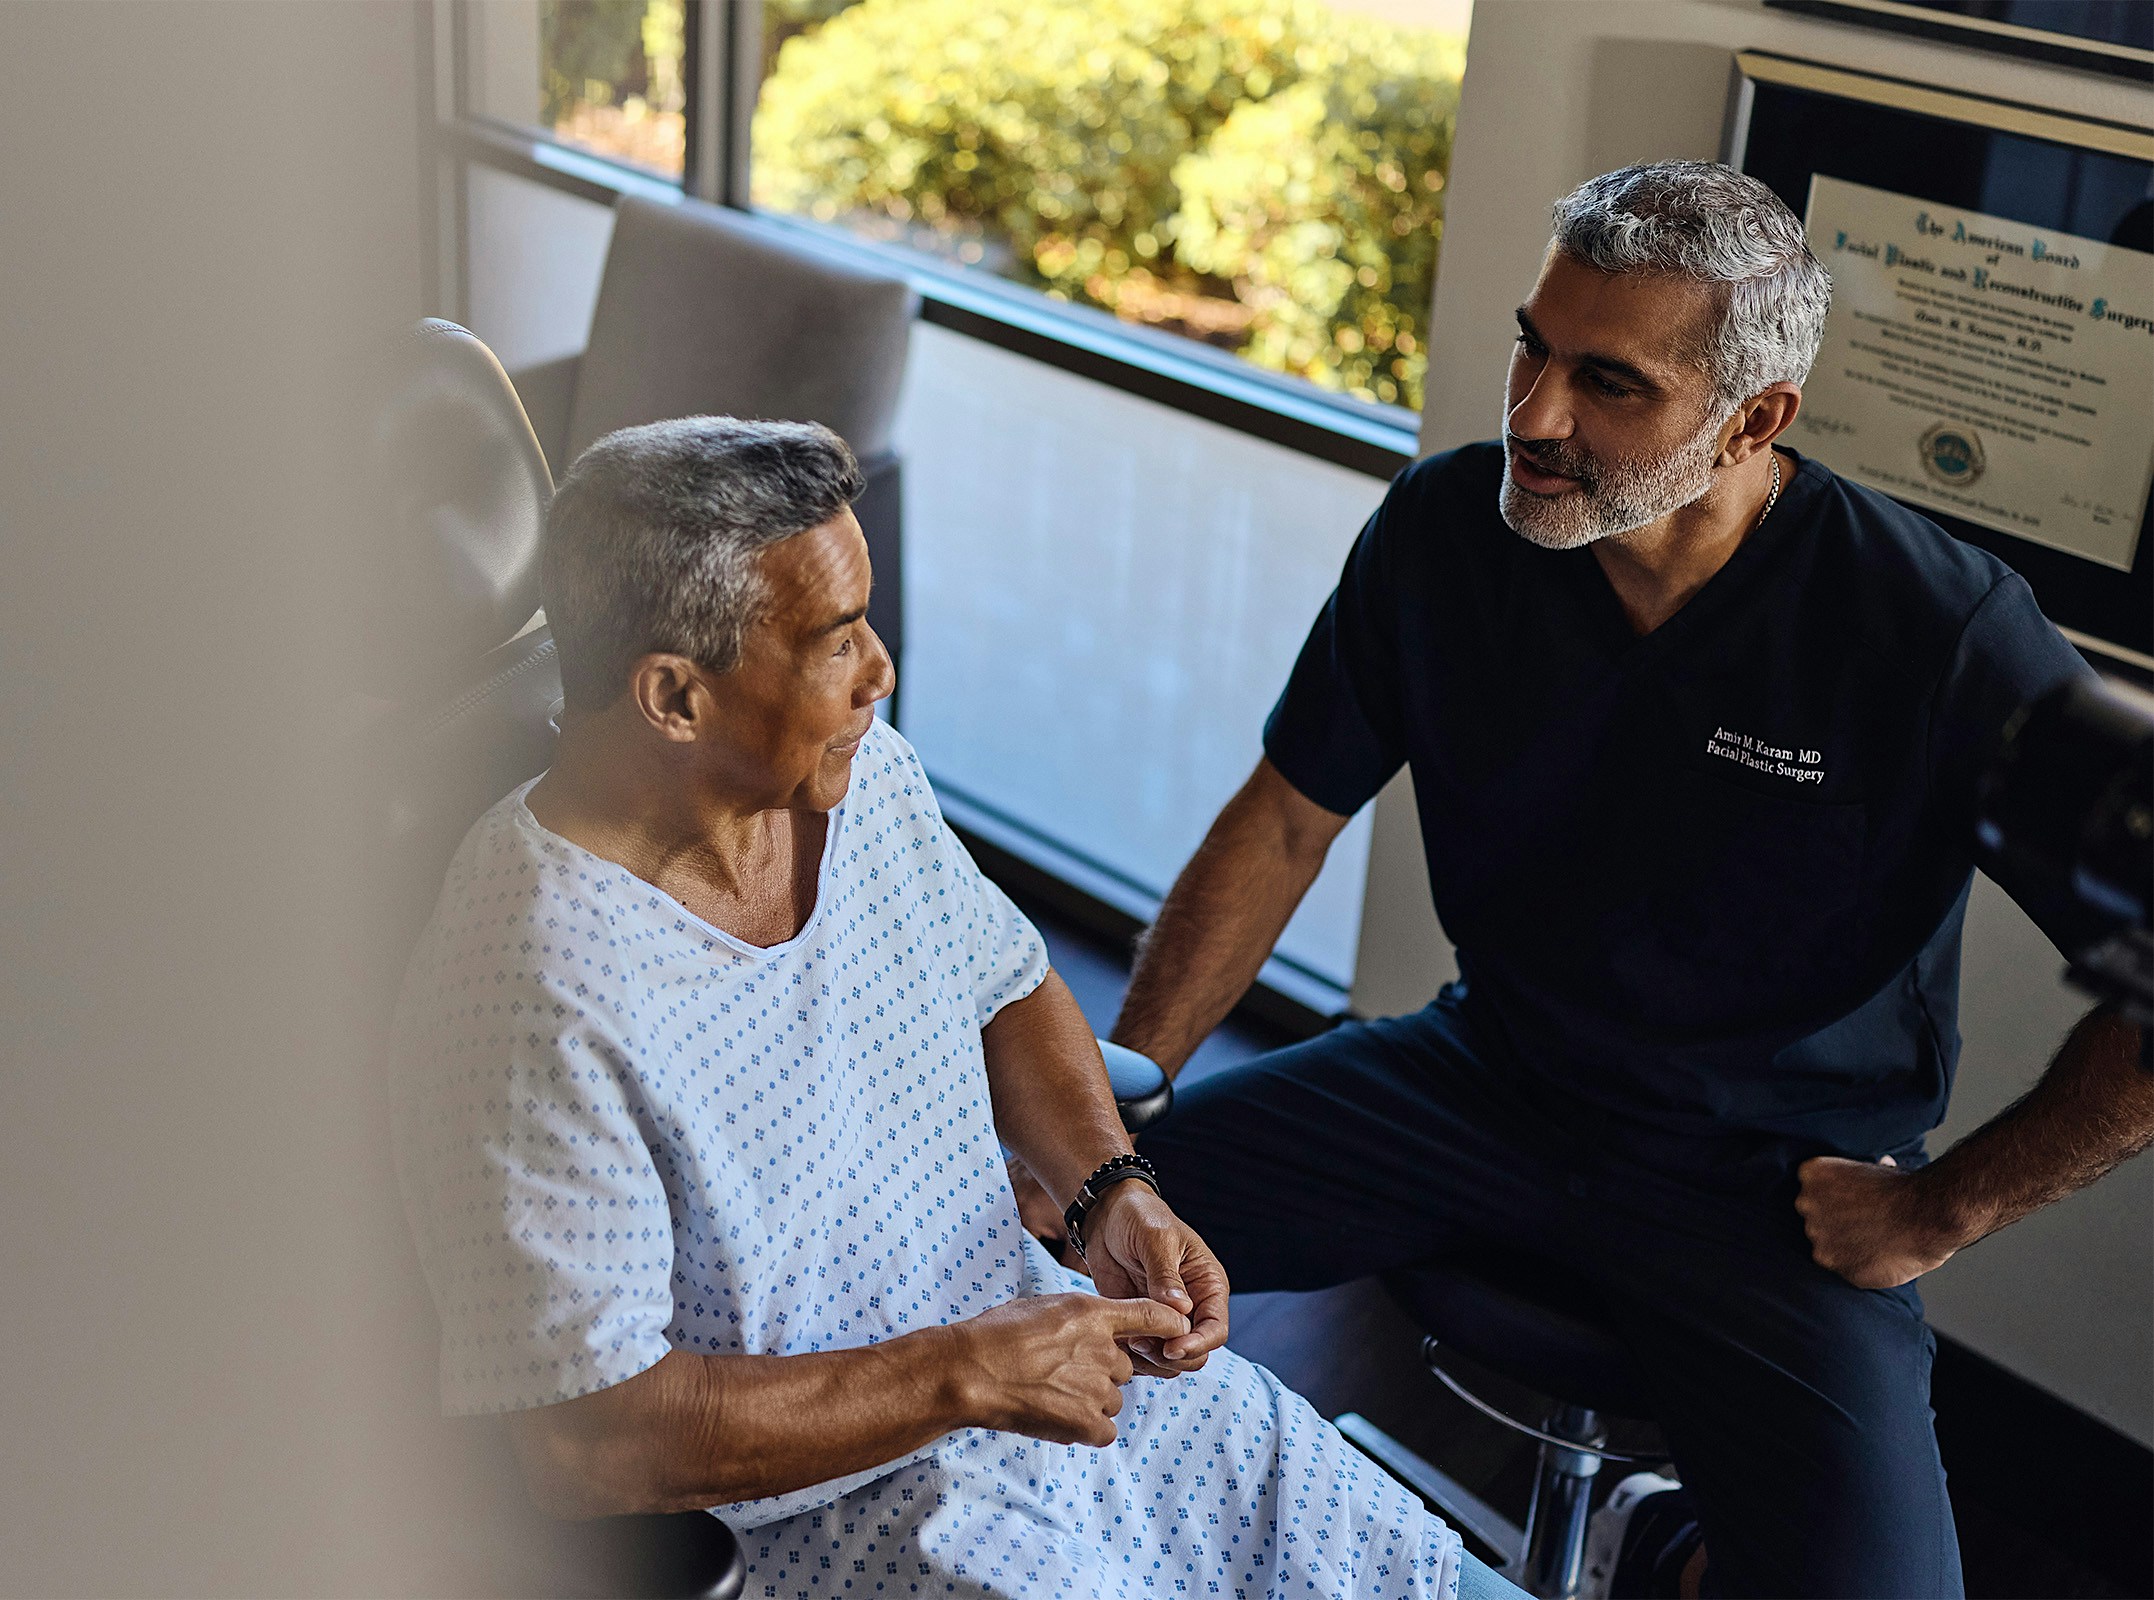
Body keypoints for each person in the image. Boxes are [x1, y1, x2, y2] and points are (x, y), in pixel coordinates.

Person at [1079, 162, 2154, 1597]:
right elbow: (1284, 819)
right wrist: (1121, 1101)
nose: (1533, 415)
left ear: (1752, 421)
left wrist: (1939, 1210)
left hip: (1764, 1177)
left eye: (1608, 383)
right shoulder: (1445, 531)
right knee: (1051, 1234)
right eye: (1532, 347)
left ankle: (1660, 1548)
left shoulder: (1932, 627)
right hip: (1479, 1080)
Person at [390, 416, 1525, 1599]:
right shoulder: (531, 992)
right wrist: (965, 1374)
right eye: (838, 639)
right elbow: (593, 1444)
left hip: (1053, 1361)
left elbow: (1006, 984)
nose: (881, 668)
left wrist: (1109, 1191)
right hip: (850, 1508)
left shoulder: (858, 777)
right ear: (675, 696)